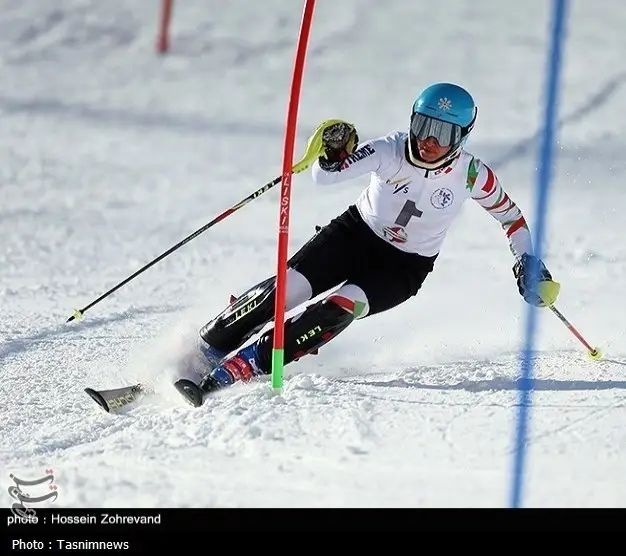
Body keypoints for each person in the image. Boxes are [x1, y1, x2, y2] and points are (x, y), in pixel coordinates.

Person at [187, 82, 561, 394]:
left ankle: (246, 365)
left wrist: (527, 261)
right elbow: (325, 177)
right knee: (286, 290)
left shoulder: (472, 174)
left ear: (461, 137)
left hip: (404, 267)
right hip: (353, 236)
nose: (429, 140)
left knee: (339, 308)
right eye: (424, 125)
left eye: (443, 133)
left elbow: (511, 217)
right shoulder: (390, 149)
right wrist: (332, 156)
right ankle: (206, 347)